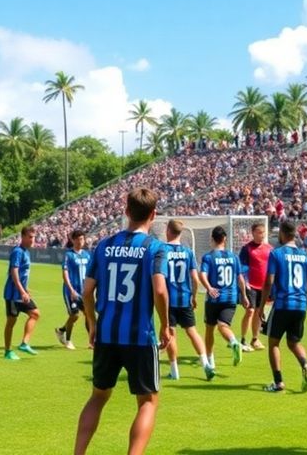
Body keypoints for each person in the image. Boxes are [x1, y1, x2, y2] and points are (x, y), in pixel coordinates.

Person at [74, 188, 173, 455]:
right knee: (148, 402)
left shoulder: (104, 245)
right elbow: (160, 290)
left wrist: (93, 324)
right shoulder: (155, 248)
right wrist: (165, 325)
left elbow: (86, 291)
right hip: (140, 336)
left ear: (126, 211)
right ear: (154, 214)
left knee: (98, 396)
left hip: (106, 333)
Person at [260, 221, 307, 392]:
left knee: (274, 343)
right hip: (300, 305)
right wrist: (303, 299)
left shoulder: (276, 253)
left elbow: (269, 281)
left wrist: (262, 305)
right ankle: (305, 365)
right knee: (294, 342)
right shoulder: (305, 256)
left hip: (283, 304)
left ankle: (278, 383)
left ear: (283, 234)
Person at [200, 226, 251, 374]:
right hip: (230, 298)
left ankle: (211, 363)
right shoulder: (233, 257)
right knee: (224, 326)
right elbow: (240, 278)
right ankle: (234, 342)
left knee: (210, 329)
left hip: (214, 298)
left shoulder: (208, 257)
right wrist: (244, 295)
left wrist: (209, 287)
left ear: (212, 239)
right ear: (225, 239)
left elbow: (202, 274)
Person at [161, 220, 208, 380]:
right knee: (192, 331)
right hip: (184, 298)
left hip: (168, 299)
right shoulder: (188, 252)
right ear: (180, 233)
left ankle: (174, 371)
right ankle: (206, 364)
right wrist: (193, 297)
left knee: (171, 333)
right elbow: (195, 279)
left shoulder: (163, 250)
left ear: (168, 231)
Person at [4, 226, 40, 360]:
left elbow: (22, 274)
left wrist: (26, 289)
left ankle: (24, 343)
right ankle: (7, 351)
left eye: (34, 237)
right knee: (11, 322)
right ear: (23, 237)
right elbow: (14, 272)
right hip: (13, 294)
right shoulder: (18, 252)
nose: (32, 240)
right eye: (30, 237)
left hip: (21, 293)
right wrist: (21, 291)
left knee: (35, 314)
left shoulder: (26, 252)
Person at [239, 223, 272, 352]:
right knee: (250, 311)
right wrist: (245, 282)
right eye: (259, 232)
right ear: (252, 233)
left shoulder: (270, 249)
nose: (261, 235)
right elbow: (242, 268)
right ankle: (242, 339)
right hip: (251, 285)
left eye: (263, 232)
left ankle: (255, 339)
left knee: (259, 312)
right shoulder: (246, 249)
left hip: (264, 286)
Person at [55, 229, 90, 350]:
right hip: (71, 291)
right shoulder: (69, 255)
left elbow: (90, 274)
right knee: (74, 315)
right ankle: (68, 340)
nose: (80, 241)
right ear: (73, 240)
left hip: (83, 292)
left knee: (88, 314)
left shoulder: (87, 255)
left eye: (82, 239)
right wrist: (71, 290)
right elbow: (65, 273)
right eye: (78, 239)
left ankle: (91, 341)